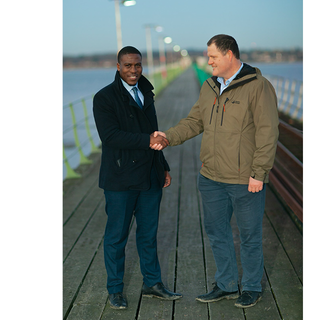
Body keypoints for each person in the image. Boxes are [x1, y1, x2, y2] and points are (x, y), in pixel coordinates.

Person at [152, 34, 279, 308]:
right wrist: (168, 137)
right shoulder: (209, 86)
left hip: (245, 179)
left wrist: (259, 172)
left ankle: (252, 287)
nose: (208, 61)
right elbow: (195, 120)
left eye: (213, 57)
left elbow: (269, 133)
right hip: (210, 177)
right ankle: (226, 285)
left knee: (249, 236)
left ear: (229, 55)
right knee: (217, 233)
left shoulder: (258, 87)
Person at [93, 46, 182, 310]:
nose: (134, 71)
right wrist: (148, 140)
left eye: (138, 65)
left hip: (150, 176)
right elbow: (110, 136)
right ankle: (115, 290)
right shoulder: (104, 98)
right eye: (128, 66)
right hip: (120, 179)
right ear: (118, 67)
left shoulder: (147, 92)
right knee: (116, 237)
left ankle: (153, 283)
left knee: (148, 234)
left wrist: (163, 166)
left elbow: (152, 131)